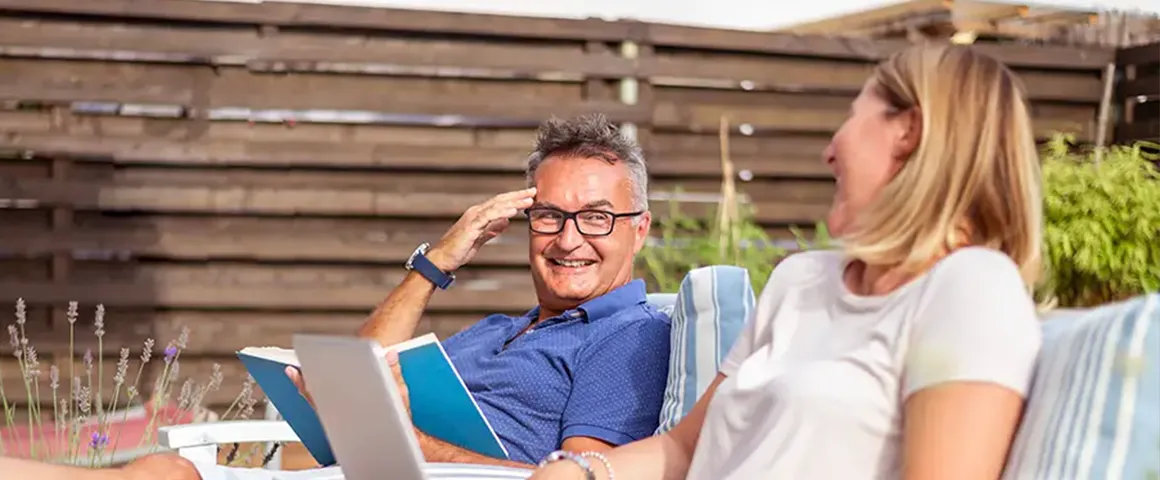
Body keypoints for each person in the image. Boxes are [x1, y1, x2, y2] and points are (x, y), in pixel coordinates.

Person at [530, 42, 1045, 480]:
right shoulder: (802, 280)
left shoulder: (971, 288)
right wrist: (582, 471)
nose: (828, 151)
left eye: (852, 116)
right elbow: (684, 449)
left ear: (907, 130)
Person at [286, 113, 671, 469]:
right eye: (549, 216)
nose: (568, 240)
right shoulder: (494, 330)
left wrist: (396, 437)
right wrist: (434, 264)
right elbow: (358, 375)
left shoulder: (631, 335)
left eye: (595, 218)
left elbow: (580, 478)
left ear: (639, 230)